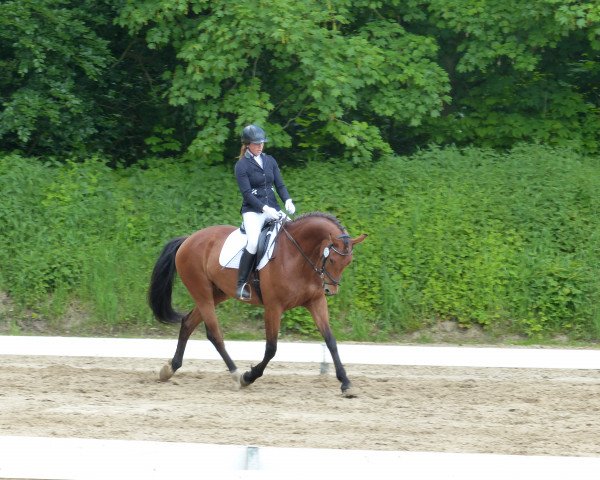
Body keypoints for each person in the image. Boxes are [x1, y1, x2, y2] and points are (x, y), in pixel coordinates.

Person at [234, 124, 296, 300]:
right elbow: (246, 193)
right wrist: (263, 208)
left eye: (262, 143)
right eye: (256, 143)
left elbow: (280, 184)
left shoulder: (270, 160)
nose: (260, 146)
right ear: (247, 145)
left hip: (274, 209)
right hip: (253, 211)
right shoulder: (241, 166)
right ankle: (241, 284)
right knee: (253, 242)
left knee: (292, 232)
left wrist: (287, 200)